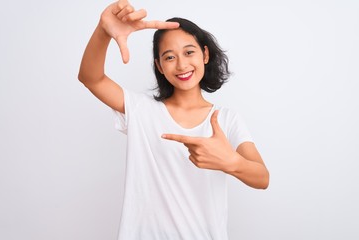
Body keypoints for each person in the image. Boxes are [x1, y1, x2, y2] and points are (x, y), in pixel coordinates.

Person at [78, 0, 269, 239]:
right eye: (169, 57)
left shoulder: (226, 119)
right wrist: (103, 31)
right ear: (159, 66)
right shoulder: (141, 110)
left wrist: (230, 161)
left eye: (189, 52)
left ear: (205, 54)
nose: (181, 64)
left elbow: (262, 178)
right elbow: (90, 78)